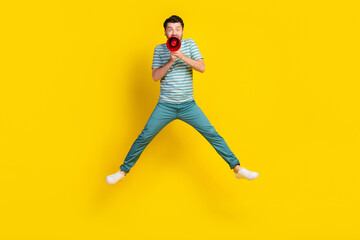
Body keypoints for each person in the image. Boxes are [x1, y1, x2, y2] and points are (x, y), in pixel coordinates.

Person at [106, 15, 259, 184]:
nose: (174, 32)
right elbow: (155, 77)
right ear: (165, 32)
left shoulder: (190, 44)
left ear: (182, 31)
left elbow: (201, 67)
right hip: (166, 105)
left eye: (177, 29)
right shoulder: (159, 49)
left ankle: (237, 168)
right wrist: (171, 61)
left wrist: (182, 56)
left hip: (188, 105)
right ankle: (122, 171)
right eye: (170, 29)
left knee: (212, 134)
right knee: (145, 136)